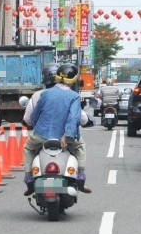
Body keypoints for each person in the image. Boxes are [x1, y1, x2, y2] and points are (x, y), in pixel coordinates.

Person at [22, 63, 92, 195]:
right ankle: (81, 175)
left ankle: (28, 177)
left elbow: (34, 116)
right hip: (64, 139)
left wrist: (36, 127)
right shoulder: (74, 96)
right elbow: (74, 119)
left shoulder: (45, 94)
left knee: (29, 148)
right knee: (80, 146)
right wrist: (66, 136)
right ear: (74, 80)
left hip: (41, 136)